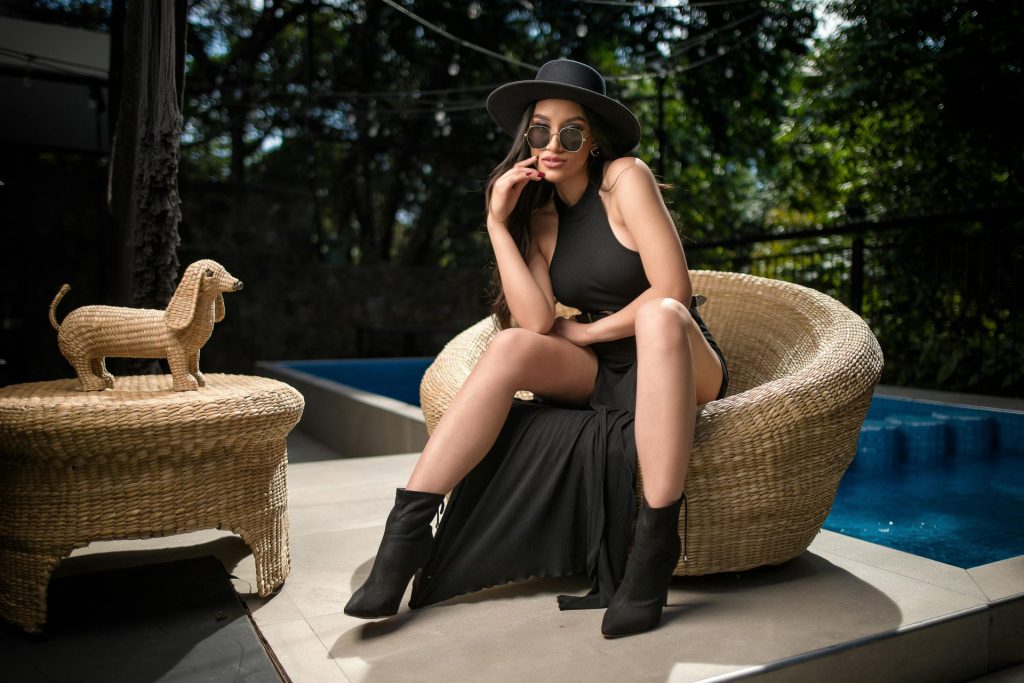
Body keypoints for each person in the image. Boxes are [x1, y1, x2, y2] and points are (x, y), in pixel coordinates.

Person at [344, 59, 728, 638]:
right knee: (512, 347)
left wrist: (590, 333)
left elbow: (672, 289)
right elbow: (534, 319)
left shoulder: (625, 178)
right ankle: (404, 540)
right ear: (526, 136)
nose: (554, 143)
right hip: (606, 366)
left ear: (592, 140)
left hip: (676, 356)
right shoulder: (543, 215)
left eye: (571, 131)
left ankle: (652, 554)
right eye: (540, 129)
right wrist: (499, 223)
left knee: (663, 317)